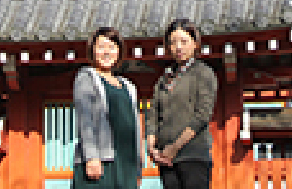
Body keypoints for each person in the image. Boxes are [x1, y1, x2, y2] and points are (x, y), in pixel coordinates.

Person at [145, 19, 217, 189]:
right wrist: (151, 148)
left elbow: (202, 115)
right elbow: (153, 114)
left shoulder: (203, 73)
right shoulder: (165, 78)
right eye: (173, 42)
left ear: (195, 44)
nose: (178, 47)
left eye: (184, 41)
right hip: (166, 159)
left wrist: (175, 147)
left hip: (193, 155)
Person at [73, 27, 142, 189]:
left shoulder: (129, 86)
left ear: (118, 52)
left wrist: (138, 166)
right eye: (101, 47)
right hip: (101, 160)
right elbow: (85, 120)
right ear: (93, 50)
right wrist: (91, 157)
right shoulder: (87, 77)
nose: (106, 52)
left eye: (112, 47)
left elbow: (136, 124)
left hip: (126, 161)